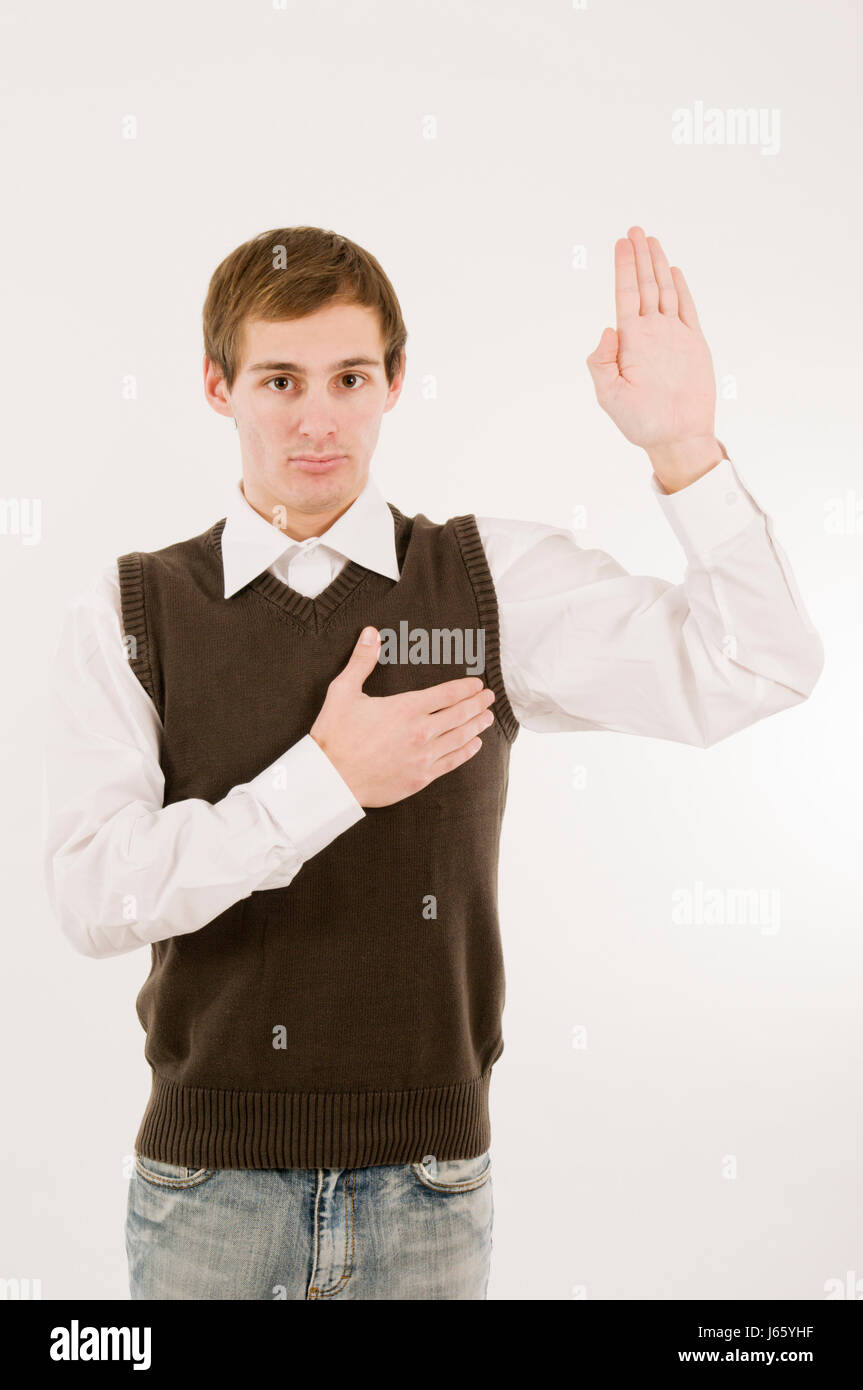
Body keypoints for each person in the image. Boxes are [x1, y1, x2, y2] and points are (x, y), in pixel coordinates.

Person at [43, 224, 824, 1300]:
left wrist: (682, 448)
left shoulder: (484, 580)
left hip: (428, 1192)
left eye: (348, 376)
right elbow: (93, 893)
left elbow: (755, 666)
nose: (316, 417)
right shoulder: (133, 609)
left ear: (393, 383)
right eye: (279, 379)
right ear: (218, 387)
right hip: (207, 1194)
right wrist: (324, 781)